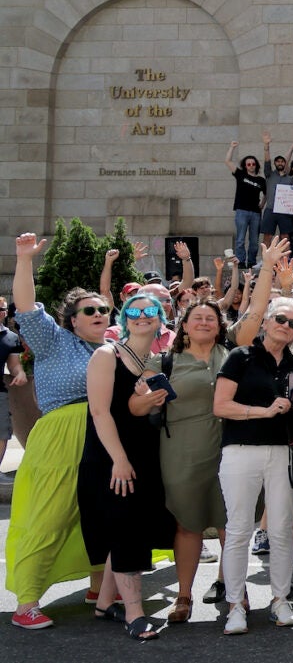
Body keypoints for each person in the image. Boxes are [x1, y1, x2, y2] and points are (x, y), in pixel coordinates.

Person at [6, 233, 105, 630]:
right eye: (90, 310)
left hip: (104, 435)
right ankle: (26, 602)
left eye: (102, 309)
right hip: (61, 435)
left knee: (101, 514)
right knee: (49, 516)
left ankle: (102, 587)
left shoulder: (114, 348)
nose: (99, 313)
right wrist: (25, 259)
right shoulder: (52, 341)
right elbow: (26, 306)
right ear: (72, 319)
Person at [212, 270, 293, 634]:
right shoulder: (240, 356)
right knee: (239, 529)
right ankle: (235, 604)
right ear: (267, 321)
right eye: (281, 319)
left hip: (283, 451)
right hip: (240, 449)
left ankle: (280, 600)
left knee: (283, 529)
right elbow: (220, 405)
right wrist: (264, 411)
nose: (286, 326)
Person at [79, 291, 178, 642]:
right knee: (126, 530)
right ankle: (134, 613)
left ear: (160, 317)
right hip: (111, 456)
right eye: (133, 311)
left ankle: (106, 603)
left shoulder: (157, 360)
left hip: (144, 454)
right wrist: (119, 459)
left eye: (150, 310)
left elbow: (147, 414)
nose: (142, 315)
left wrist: (151, 403)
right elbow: (100, 412)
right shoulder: (108, 354)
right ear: (123, 318)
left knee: (131, 527)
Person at [151, 298, 230, 622]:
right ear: (183, 325)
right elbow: (138, 405)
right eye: (196, 317)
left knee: (231, 524)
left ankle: (233, 590)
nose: (203, 322)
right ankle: (184, 596)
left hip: (230, 450)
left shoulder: (233, 357)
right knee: (187, 524)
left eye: (210, 318)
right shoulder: (164, 362)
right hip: (181, 451)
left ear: (220, 325)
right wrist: (144, 400)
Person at [226, 141, 266, 268]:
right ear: (245, 165)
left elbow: (267, 194)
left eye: (253, 164)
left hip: (255, 212)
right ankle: (241, 262)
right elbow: (227, 161)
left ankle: (252, 262)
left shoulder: (261, 180)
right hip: (241, 211)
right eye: (248, 164)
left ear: (256, 165)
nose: (251, 165)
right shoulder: (240, 174)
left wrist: (262, 204)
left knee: (254, 241)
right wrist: (232, 147)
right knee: (240, 239)